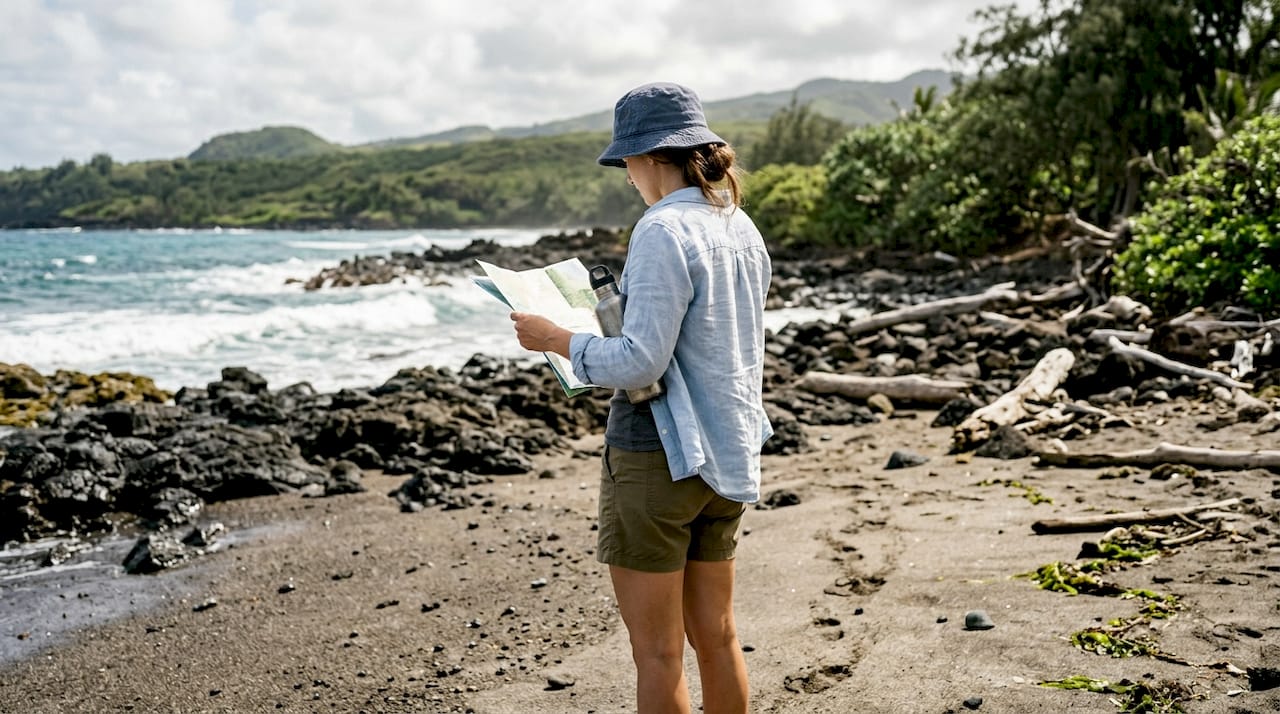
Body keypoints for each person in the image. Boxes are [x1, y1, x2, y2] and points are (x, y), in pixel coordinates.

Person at [509, 82, 772, 714]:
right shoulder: (738, 224)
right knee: (718, 635)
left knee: (656, 652)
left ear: (651, 157)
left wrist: (558, 339)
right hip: (728, 454)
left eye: (625, 160)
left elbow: (640, 362)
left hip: (659, 454)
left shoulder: (662, 229)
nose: (626, 175)